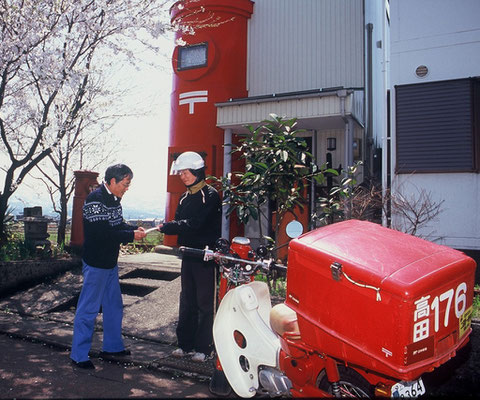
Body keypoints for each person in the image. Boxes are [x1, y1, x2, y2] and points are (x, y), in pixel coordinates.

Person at [70, 164, 147, 369]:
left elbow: (117, 225)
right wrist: (131, 235)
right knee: (88, 309)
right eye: (125, 184)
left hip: (109, 263)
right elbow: (102, 233)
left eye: (128, 184)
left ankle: (112, 346)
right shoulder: (95, 200)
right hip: (96, 264)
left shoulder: (114, 200)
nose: (126, 188)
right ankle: (78, 354)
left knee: (114, 307)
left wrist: (133, 229)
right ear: (112, 181)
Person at [158, 151, 222, 362]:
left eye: (186, 172)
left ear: (197, 171)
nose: (182, 176)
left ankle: (204, 348)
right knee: (187, 300)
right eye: (181, 172)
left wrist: (168, 227)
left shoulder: (210, 195)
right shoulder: (184, 197)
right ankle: (184, 344)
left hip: (205, 255)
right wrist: (172, 228)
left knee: (205, 302)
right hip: (188, 255)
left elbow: (195, 224)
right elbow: (180, 224)